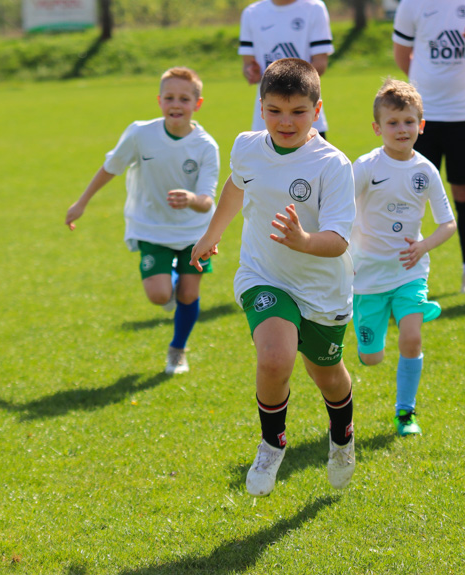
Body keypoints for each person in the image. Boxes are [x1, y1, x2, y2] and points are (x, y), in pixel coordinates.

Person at [190, 58, 356, 497]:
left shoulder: (333, 165)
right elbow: (237, 185)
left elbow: (338, 240)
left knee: (328, 375)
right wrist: (212, 234)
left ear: (317, 110)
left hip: (322, 286)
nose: (286, 121)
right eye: (275, 110)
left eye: (298, 111)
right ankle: (271, 444)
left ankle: (341, 436)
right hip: (264, 274)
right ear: (261, 107)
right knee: (275, 358)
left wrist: (303, 241)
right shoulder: (246, 146)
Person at [65, 67, 219, 375]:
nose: (176, 104)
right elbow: (111, 166)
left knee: (189, 295)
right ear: (159, 101)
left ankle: (177, 350)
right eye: (169, 97)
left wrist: (190, 199)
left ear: (197, 104)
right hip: (150, 226)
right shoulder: (140, 133)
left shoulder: (206, 146)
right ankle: (170, 278)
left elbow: (207, 202)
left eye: (185, 98)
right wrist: (82, 202)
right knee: (160, 295)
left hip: (194, 232)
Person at [351, 78, 456, 436]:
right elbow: (338, 206)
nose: (402, 129)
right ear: (377, 127)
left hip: (410, 271)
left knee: (411, 337)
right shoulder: (365, 166)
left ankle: (405, 414)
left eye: (409, 122)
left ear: (421, 126)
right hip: (366, 275)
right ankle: (374, 323)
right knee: (371, 358)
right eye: (393, 123)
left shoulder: (426, 172)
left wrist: (423, 247)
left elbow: (448, 224)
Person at [392, 0, 465, 294]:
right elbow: (402, 55)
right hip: (422, 118)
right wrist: (427, 85)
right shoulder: (411, 4)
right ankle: (401, 277)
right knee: (410, 194)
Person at [238, 0, 334, 137]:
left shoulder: (314, 8)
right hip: (267, 117)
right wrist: (251, 72)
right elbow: (247, 64)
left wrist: (285, 81)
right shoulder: (251, 13)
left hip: (306, 116)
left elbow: (320, 64)